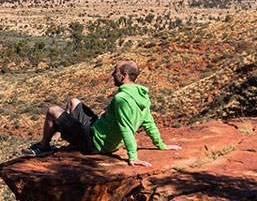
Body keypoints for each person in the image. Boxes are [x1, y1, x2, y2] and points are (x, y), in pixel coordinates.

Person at [22, 60, 180, 167]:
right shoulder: (142, 95)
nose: (112, 75)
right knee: (73, 102)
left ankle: (44, 147)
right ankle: (55, 140)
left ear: (124, 75)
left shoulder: (121, 99)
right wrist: (161, 145)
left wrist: (133, 156)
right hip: (99, 131)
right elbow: (149, 122)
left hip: (95, 143)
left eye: (115, 72)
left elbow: (126, 127)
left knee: (52, 111)